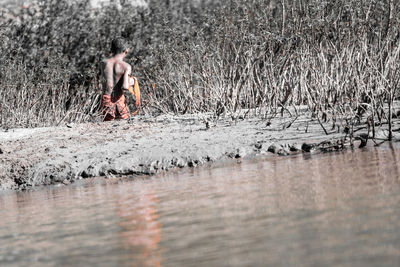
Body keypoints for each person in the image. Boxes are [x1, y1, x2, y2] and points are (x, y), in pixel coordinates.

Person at [100, 37, 135, 121]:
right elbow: (125, 87)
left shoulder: (103, 63)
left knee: (107, 125)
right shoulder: (126, 66)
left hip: (106, 99)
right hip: (119, 100)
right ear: (126, 50)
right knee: (122, 125)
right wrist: (132, 81)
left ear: (112, 49)